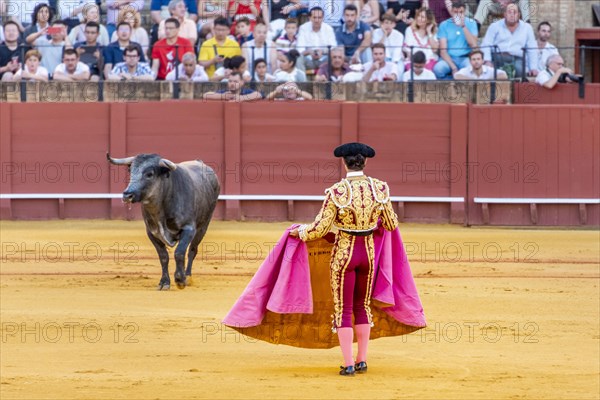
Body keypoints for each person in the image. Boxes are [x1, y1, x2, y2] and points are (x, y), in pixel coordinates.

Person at [288, 143, 402, 375]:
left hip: (344, 256)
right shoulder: (379, 189)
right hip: (368, 255)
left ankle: (348, 364)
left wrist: (299, 232)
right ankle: (362, 360)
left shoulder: (337, 192)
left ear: (344, 163)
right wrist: (371, 221)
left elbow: (318, 229)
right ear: (365, 162)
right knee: (362, 306)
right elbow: (391, 224)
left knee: (343, 308)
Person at [480, 3, 537, 79]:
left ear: (519, 15)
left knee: (520, 71)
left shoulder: (527, 28)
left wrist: (533, 68)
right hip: (497, 57)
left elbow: (532, 48)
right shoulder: (494, 26)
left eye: (515, 12)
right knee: (490, 72)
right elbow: (486, 44)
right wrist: (487, 61)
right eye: (509, 12)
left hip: (517, 59)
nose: (512, 15)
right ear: (505, 14)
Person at [433, 0, 478, 80]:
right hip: (449, 58)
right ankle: (450, 83)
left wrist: (463, 26)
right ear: (452, 12)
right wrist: (453, 67)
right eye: (455, 12)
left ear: (464, 12)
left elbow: (473, 45)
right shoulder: (444, 24)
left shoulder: (472, 23)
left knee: (472, 69)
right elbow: (443, 51)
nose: (458, 14)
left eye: (461, 12)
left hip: (465, 58)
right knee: (438, 69)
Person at [296, 6, 336, 70]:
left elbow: (333, 48)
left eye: (319, 17)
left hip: (324, 59)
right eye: (314, 17)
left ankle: (329, 79)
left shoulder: (328, 29)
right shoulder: (303, 28)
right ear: (309, 18)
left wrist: (322, 51)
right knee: (298, 59)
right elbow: (299, 50)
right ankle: (302, 80)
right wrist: (309, 52)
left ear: (323, 18)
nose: (317, 20)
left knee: (333, 58)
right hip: (308, 59)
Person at [402, 7, 438, 71]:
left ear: (428, 20)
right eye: (418, 16)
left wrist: (429, 32)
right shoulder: (409, 30)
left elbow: (435, 49)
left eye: (422, 17)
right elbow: (408, 50)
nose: (419, 18)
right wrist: (417, 62)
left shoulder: (433, 31)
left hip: (429, 60)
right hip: (413, 61)